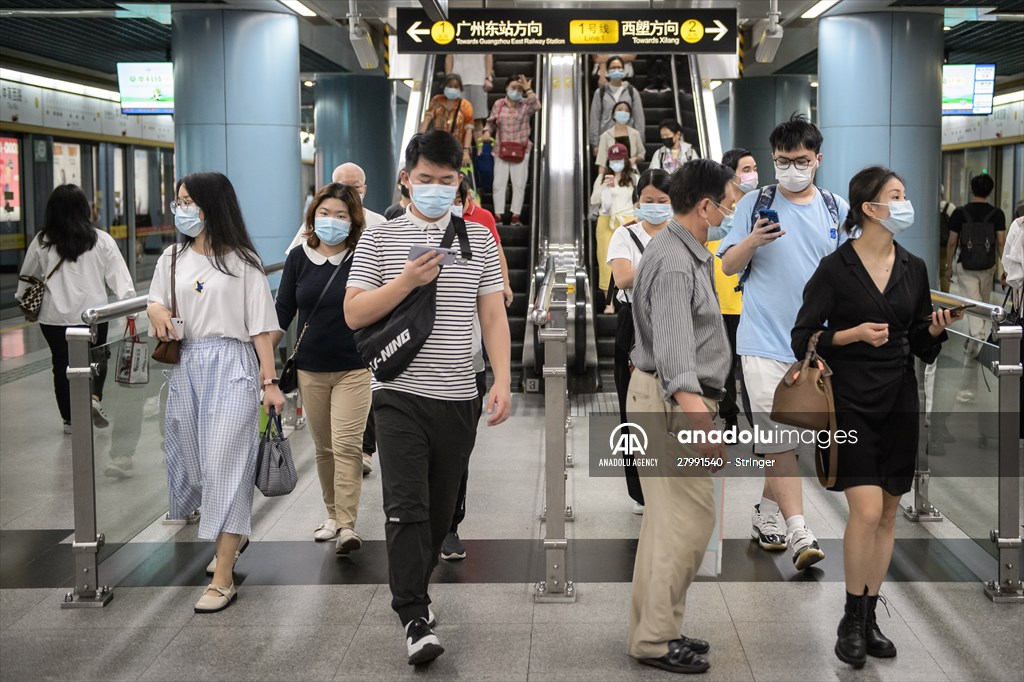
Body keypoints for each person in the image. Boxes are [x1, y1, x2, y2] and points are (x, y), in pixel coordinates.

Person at [344, 130, 511, 665]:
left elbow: (491, 314)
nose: (436, 189)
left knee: (440, 514)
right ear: (406, 180)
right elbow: (354, 312)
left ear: (460, 182)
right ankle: (413, 614)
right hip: (398, 394)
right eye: (425, 180)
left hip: (460, 394)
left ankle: (418, 586)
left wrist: (503, 379)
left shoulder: (477, 238)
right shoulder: (380, 238)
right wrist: (406, 283)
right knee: (405, 507)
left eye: (446, 181)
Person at [791, 166, 958, 669]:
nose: (905, 203)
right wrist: (850, 335)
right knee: (864, 511)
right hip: (851, 400)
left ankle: (867, 616)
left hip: (900, 400)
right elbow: (803, 336)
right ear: (870, 208)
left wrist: (936, 327)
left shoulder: (914, 265)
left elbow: (921, 345)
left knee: (888, 513)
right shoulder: (835, 268)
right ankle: (849, 615)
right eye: (897, 196)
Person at [147, 171, 284, 613]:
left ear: (212, 206)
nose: (181, 209)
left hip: (233, 368)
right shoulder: (172, 258)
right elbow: (153, 299)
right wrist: (156, 309)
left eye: (189, 201)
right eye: (179, 201)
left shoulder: (243, 261)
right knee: (198, 465)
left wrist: (270, 382)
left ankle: (222, 576)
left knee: (226, 464)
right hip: (188, 367)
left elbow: (262, 328)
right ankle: (235, 532)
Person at [719, 114, 849, 569]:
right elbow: (729, 266)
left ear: (818, 159)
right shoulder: (756, 201)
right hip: (762, 341)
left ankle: (768, 512)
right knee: (779, 442)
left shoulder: (836, 209)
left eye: (801, 160)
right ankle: (800, 532)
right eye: (782, 161)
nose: (791, 168)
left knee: (791, 439)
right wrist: (753, 239)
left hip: (814, 347)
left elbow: (850, 273)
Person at [626, 158, 735, 675]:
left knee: (665, 524)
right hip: (673, 405)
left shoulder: (684, 252)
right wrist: (700, 421)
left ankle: (656, 629)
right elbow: (673, 354)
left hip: (664, 401)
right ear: (705, 206)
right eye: (729, 201)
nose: (733, 208)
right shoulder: (673, 261)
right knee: (689, 523)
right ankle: (654, 638)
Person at [274, 183, 372, 550]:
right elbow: (282, 313)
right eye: (325, 213)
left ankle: (347, 524)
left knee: (347, 444)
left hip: (354, 365)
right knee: (324, 448)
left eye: (341, 215)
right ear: (313, 217)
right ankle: (331, 514)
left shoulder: (362, 255)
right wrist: (263, 364)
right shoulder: (299, 257)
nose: (332, 221)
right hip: (310, 367)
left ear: (353, 220)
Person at [16, 184, 135, 434]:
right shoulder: (101, 240)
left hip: (54, 318)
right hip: (94, 316)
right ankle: (93, 398)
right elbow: (121, 279)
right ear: (84, 210)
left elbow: (27, 278)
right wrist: (131, 309)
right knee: (97, 357)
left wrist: (24, 304)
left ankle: (70, 420)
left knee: (61, 364)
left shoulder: (42, 242)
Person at [606, 168, 671, 514]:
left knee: (675, 407)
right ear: (637, 203)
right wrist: (664, 265)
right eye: (650, 201)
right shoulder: (625, 235)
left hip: (676, 322)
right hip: (634, 324)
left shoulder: (683, 233)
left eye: (663, 201)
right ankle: (641, 490)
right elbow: (622, 277)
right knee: (634, 409)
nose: (657, 207)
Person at [714, 148, 758, 429]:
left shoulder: (761, 206)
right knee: (725, 367)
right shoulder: (715, 208)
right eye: (746, 169)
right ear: (730, 174)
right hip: (720, 301)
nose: (753, 174)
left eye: (754, 167)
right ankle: (729, 417)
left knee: (753, 370)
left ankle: (759, 427)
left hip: (752, 302)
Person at [944, 173, 1006, 345]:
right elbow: (1001, 242)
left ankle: (977, 338)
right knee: (984, 303)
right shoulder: (997, 214)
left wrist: (948, 266)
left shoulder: (959, 212)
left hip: (966, 266)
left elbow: (951, 242)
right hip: (988, 266)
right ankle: (977, 335)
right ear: (990, 192)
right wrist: (1006, 268)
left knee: (972, 302)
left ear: (971, 189)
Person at [287, 163, 386, 253]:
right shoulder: (318, 221)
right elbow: (296, 256)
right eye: (343, 186)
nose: (350, 191)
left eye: (356, 186)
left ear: (364, 189)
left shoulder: (379, 221)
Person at [482, 75, 540, 226]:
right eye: (513, 88)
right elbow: (491, 122)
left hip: (521, 149)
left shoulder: (526, 104)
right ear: (506, 88)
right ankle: (498, 215)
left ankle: (515, 216)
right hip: (501, 149)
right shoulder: (499, 104)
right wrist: (487, 131)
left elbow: (537, 106)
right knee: (499, 183)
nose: (516, 91)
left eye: (519, 89)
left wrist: (528, 89)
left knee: (519, 184)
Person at [592, 144, 638, 313]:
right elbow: (594, 200)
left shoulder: (633, 178)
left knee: (630, 260)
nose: (616, 162)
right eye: (613, 159)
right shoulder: (602, 177)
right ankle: (609, 302)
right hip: (606, 221)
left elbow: (638, 200)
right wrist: (606, 187)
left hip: (628, 220)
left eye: (619, 159)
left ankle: (631, 300)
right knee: (606, 262)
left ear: (625, 160)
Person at [589, 55, 645, 157]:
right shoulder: (600, 92)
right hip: (606, 140)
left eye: (619, 68)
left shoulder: (631, 91)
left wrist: (639, 142)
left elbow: (639, 118)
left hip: (628, 140)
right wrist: (595, 144)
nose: (616, 70)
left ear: (623, 70)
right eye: (613, 68)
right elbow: (595, 118)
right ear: (607, 71)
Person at [420, 73, 475, 169]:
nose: (452, 89)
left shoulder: (466, 105)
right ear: (444, 86)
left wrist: (466, 151)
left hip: (456, 149)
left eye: (456, 86)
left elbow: (469, 130)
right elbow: (427, 119)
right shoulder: (437, 100)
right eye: (449, 86)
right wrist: (419, 138)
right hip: (436, 146)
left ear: (460, 89)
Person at [444, 54, 493, 143]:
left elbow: (488, 55)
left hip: (478, 80)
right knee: (458, 121)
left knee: (477, 121)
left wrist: (487, 78)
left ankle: (480, 154)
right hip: (457, 82)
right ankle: (461, 153)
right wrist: (448, 79)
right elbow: (449, 56)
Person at [595, 101, 646, 176]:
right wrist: (599, 181)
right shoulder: (605, 136)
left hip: (631, 172)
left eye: (626, 111)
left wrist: (634, 159)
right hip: (612, 174)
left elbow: (641, 153)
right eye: (620, 110)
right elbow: (602, 162)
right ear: (613, 115)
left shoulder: (635, 134)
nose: (623, 112)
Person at [938, 190, 956, 292]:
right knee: (944, 273)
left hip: (929, 246)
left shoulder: (926, 207)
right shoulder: (950, 207)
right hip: (945, 245)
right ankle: (944, 302)